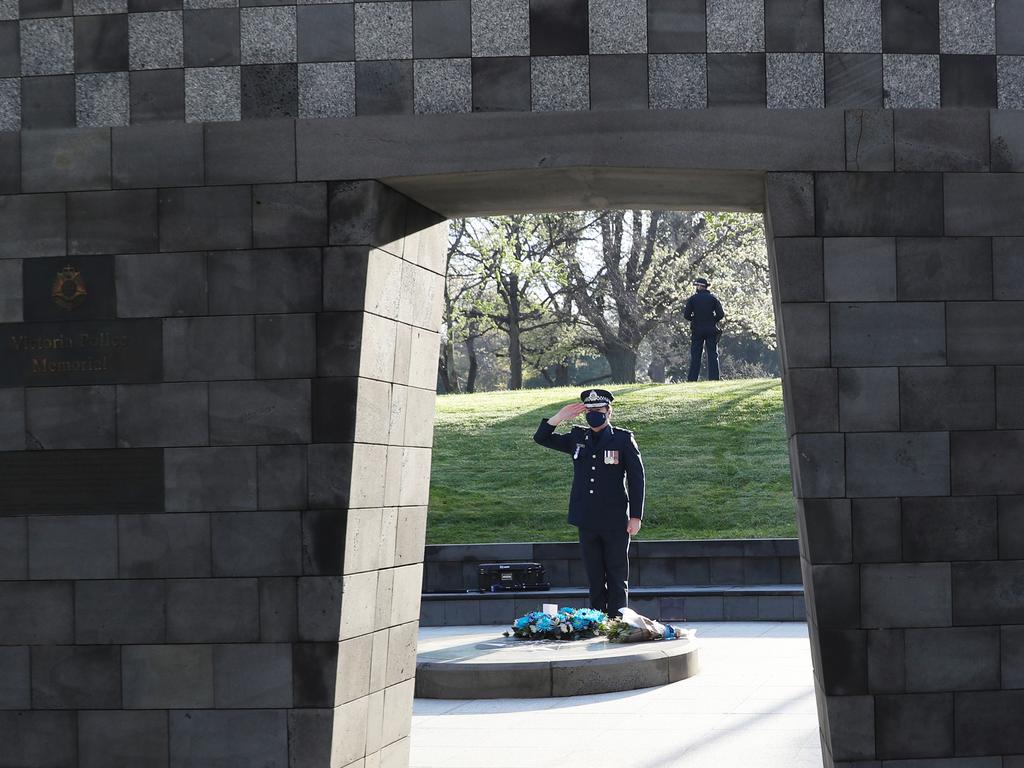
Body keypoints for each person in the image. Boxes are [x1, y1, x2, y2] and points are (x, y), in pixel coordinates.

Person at [533, 389, 645, 617]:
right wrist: (559, 417)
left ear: (608, 412)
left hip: (615, 519)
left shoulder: (622, 439)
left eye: (599, 411)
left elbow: (636, 478)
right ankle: (596, 619)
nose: (594, 415)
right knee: (594, 574)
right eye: (590, 411)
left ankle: (617, 619)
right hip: (586, 517)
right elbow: (541, 438)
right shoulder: (577, 437)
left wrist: (635, 516)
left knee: (616, 573)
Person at [683, 277, 725, 381]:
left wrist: (695, 319)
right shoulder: (713, 298)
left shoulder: (693, 299)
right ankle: (714, 378)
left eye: (697, 286)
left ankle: (692, 379)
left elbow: (686, 315)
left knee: (696, 355)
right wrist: (712, 320)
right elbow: (720, 314)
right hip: (711, 329)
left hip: (697, 329)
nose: (696, 288)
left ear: (700, 286)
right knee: (712, 354)